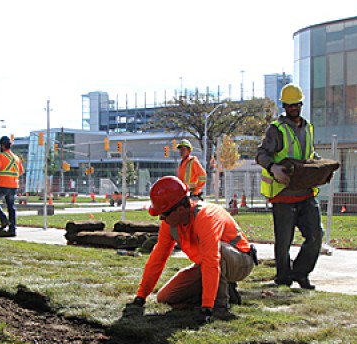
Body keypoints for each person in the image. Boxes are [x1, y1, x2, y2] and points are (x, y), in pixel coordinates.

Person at [131, 176, 257, 323]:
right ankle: (224, 291)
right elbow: (157, 258)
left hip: (240, 262)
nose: (161, 219)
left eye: (163, 214)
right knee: (165, 297)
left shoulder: (206, 217)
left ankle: (220, 305)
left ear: (179, 209)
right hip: (208, 264)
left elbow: (212, 260)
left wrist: (207, 308)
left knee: (217, 252)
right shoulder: (170, 224)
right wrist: (141, 296)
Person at [255, 83, 323, 290]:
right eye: (289, 105)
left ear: (301, 104)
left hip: (306, 193)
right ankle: (283, 278)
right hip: (283, 195)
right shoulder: (276, 130)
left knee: (316, 235)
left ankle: (301, 273)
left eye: (296, 104)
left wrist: (320, 165)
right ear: (283, 105)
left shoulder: (308, 127)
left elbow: (309, 154)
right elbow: (261, 154)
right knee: (283, 242)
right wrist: (273, 167)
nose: (293, 108)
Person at [0, 136, 24, 237]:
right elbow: (21, 171)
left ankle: (4, 220)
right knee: (11, 207)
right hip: (14, 185)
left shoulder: (0, 156)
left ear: (2, 145)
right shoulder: (16, 158)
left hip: (3, 184)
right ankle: (12, 229)